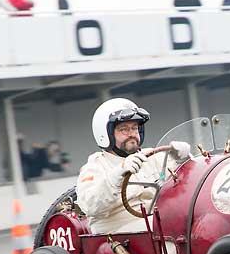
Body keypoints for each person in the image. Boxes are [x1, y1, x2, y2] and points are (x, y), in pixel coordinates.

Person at [76, 98, 190, 234]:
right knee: (174, 227)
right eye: (123, 130)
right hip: (116, 235)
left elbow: (185, 184)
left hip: (155, 224)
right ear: (106, 134)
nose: (132, 134)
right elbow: (90, 206)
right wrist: (118, 174)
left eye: (134, 128)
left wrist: (183, 158)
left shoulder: (152, 156)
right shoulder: (95, 166)